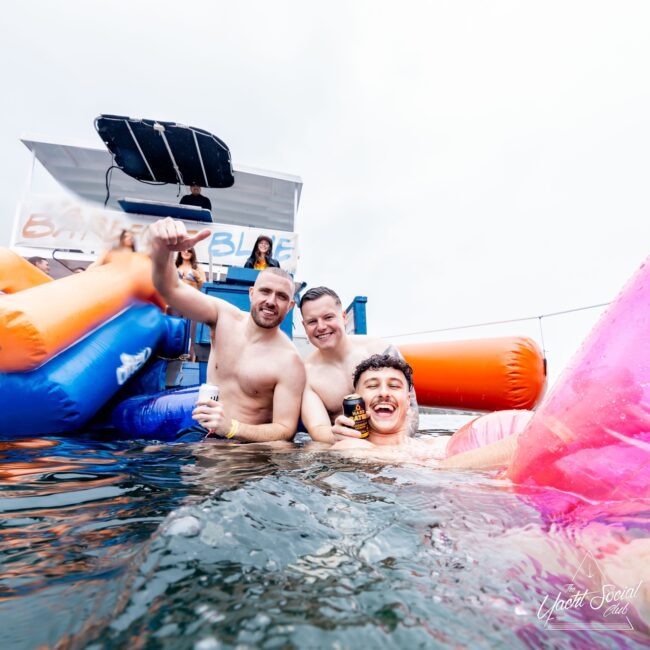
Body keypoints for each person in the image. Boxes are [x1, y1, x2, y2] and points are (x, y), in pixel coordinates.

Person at [149, 217, 305, 442]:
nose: (271, 301)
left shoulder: (289, 361)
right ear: (251, 293)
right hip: (203, 432)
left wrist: (231, 428)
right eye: (265, 291)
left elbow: (284, 430)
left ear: (290, 306)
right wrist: (163, 251)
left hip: (244, 447)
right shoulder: (223, 317)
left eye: (281, 297)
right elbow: (169, 289)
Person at [331, 354, 520, 470]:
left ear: (408, 399)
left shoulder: (441, 444)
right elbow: (430, 471)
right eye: (372, 386)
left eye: (394, 386)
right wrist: (517, 445)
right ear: (357, 400)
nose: (384, 393)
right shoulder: (349, 448)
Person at [299, 287, 419, 443]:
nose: (321, 326)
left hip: (396, 446)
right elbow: (318, 428)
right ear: (304, 326)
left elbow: (411, 410)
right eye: (312, 321)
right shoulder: (306, 374)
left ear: (343, 318)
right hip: (349, 453)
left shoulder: (381, 349)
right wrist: (337, 435)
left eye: (328, 317)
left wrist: (399, 446)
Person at [175, 247, 206, 361]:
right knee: (176, 328)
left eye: (189, 250)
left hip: (192, 301)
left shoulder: (197, 268)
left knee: (191, 331)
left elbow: (203, 285)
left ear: (193, 253)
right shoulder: (175, 266)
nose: (186, 251)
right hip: (176, 302)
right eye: (184, 249)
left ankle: (190, 355)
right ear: (180, 251)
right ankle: (174, 353)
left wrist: (196, 276)